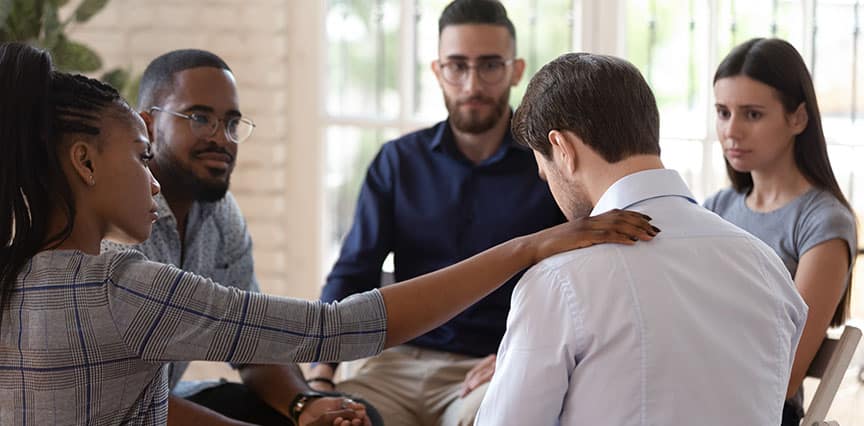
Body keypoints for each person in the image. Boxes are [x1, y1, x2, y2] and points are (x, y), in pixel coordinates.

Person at [0, 42, 657, 425]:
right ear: (85, 163)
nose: (150, 178)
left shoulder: (22, 270)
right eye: (140, 156)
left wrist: (301, 404)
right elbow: (333, 326)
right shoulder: (122, 283)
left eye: (232, 121)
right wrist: (532, 245)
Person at [475, 53, 808, 425]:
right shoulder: (767, 268)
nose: (549, 185)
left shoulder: (559, 281)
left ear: (563, 150)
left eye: (545, 171)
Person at [311, 1, 566, 424]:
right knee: (341, 419)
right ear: (437, 71)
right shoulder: (398, 163)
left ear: (517, 70)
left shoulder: (550, 167)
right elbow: (353, 273)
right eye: (456, 66)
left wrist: (521, 353)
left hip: (493, 363)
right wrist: (320, 378)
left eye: (489, 66)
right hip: (396, 364)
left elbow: (578, 278)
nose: (471, 84)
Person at [100, 49, 379, 426]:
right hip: (115, 412)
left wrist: (305, 404)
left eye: (231, 123)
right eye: (200, 118)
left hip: (169, 401)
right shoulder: (115, 220)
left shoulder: (220, 213)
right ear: (148, 125)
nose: (221, 138)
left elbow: (252, 344)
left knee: (351, 416)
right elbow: (125, 400)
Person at [703, 38, 858, 425]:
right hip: (698, 395)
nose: (732, 131)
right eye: (723, 113)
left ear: (798, 119)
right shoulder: (717, 208)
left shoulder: (823, 222)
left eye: (752, 115)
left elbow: (783, 378)